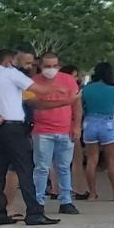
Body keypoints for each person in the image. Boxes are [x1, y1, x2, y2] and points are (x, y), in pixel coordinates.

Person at [0, 48, 64, 226]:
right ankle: (34, 212)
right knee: (24, 168)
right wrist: (59, 88)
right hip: (13, 128)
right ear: (9, 61)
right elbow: (38, 89)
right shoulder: (11, 73)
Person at [29, 51, 82, 217]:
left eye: (54, 66)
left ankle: (66, 200)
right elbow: (35, 104)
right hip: (42, 131)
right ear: (40, 66)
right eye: (47, 66)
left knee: (64, 167)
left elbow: (77, 105)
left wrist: (77, 126)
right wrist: (66, 101)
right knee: (42, 168)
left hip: (65, 130)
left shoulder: (68, 80)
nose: (50, 69)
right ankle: (38, 202)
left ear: (58, 65)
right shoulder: (33, 82)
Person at [80, 61, 114, 203]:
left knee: (91, 160)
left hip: (89, 123)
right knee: (112, 161)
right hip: (107, 123)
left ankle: (92, 194)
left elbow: (80, 105)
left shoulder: (87, 89)